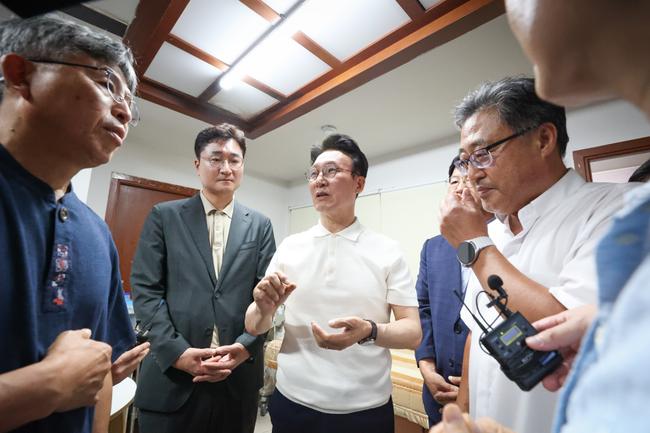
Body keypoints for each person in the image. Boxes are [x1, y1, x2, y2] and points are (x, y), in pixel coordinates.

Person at [433, 1, 650, 432]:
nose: (472, 173)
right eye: (465, 160)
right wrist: (463, 410)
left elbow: (558, 328)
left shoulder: (615, 210)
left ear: (544, 140)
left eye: (483, 153)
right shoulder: (491, 234)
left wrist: (475, 245)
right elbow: (479, 331)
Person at [0, 15, 148, 433]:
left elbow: (98, 375)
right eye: (106, 83)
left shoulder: (97, 233)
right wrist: (45, 387)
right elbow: (69, 382)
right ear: (21, 75)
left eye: (130, 103)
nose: (124, 110)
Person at [245, 134, 422, 433]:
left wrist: (369, 331)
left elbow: (412, 332)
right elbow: (254, 326)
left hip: (365, 409)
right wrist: (262, 308)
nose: (319, 180)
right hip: (293, 402)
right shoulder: (290, 247)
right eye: (314, 173)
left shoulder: (387, 250)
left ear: (359, 183)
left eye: (331, 171)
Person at [131, 123, 276, 433]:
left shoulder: (260, 225)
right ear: (198, 165)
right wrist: (177, 353)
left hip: (237, 381)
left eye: (234, 160)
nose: (226, 168)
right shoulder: (164, 216)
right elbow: (146, 291)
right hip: (172, 379)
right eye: (216, 158)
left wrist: (245, 347)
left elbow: (266, 299)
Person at [416, 156, 492, 427]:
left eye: (468, 180)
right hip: (439, 389)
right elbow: (423, 309)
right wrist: (426, 366)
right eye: (454, 181)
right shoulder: (432, 247)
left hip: (489, 391)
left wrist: (470, 385)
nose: (460, 188)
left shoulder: (506, 241)